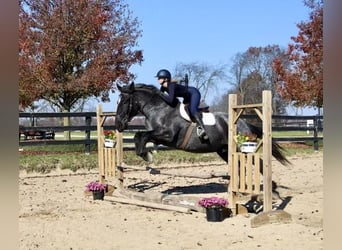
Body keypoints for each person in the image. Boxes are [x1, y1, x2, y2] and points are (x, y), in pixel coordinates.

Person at [155, 69, 209, 140]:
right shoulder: (163, 87)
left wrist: (161, 94)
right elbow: (161, 97)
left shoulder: (171, 86)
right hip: (186, 97)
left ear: (166, 79)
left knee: (192, 110)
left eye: (159, 78)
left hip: (193, 93)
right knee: (184, 111)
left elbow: (171, 100)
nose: (158, 79)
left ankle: (202, 128)